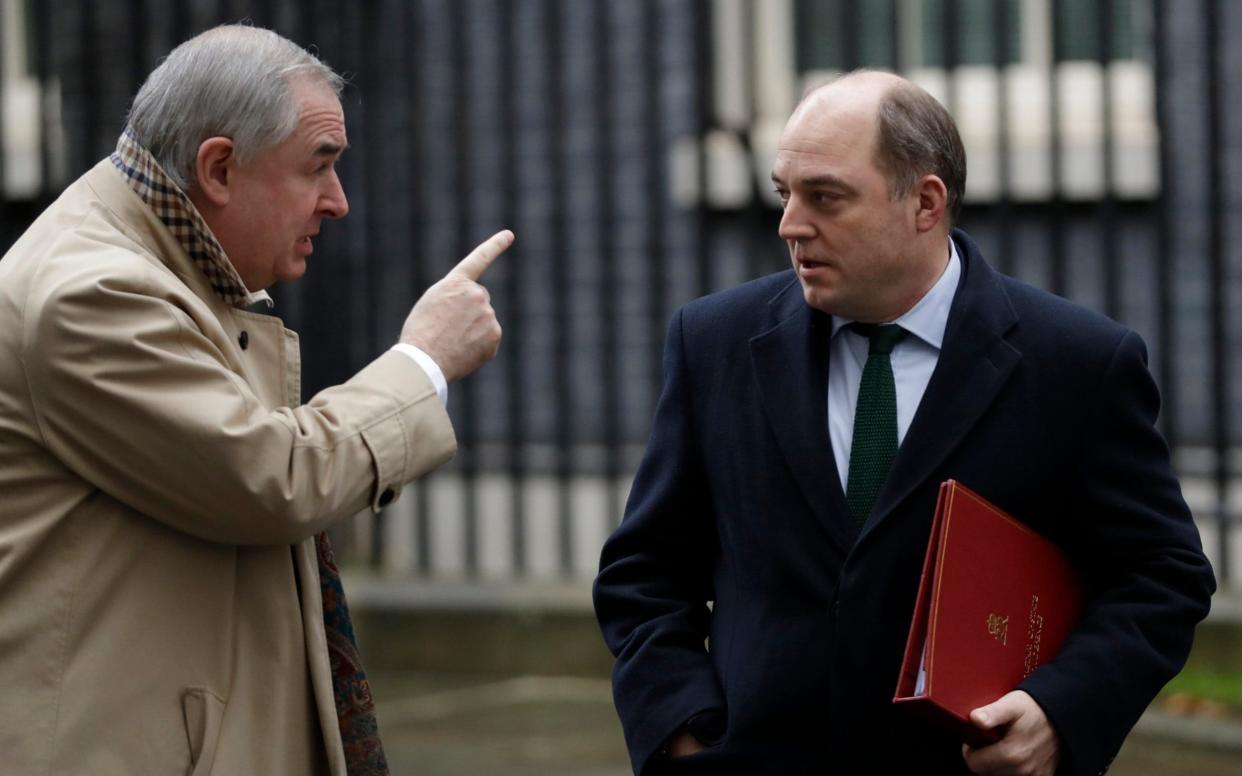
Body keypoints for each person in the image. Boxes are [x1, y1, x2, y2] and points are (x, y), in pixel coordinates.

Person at [593, 70, 1215, 775]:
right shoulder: (713, 343)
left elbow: (1163, 575)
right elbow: (643, 573)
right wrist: (680, 729)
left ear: (925, 202)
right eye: (784, 193)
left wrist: (1059, 710)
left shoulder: (1076, 363)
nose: (790, 225)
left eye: (825, 197)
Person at [0, 25, 509, 776]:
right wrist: (423, 362)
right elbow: (272, 476)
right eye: (319, 166)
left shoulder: (153, 264)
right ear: (219, 168)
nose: (337, 202)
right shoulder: (93, 292)